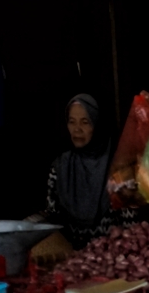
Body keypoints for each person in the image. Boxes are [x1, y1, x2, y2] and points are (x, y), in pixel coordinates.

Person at [39, 94, 115, 246]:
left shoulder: (116, 167)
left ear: (98, 125)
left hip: (113, 259)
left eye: (85, 122)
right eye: (71, 122)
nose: (77, 129)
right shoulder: (60, 167)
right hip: (70, 258)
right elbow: (53, 218)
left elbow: (130, 227)